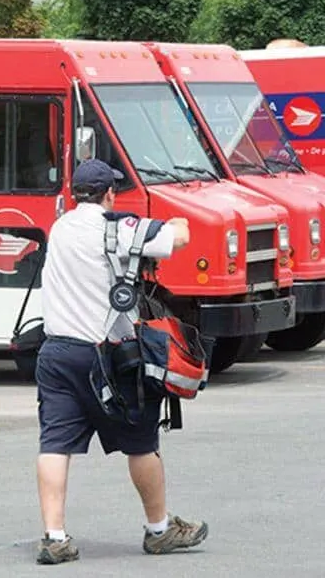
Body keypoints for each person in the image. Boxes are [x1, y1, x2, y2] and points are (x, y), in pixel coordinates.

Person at [33, 158, 207, 564]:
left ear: (76, 193)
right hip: (110, 355)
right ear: (109, 194)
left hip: (57, 352)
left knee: (55, 444)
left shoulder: (60, 228)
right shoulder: (119, 228)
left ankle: (54, 537)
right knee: (141, 443)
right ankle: (159, 530)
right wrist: (179, 218)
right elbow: (178, 238)